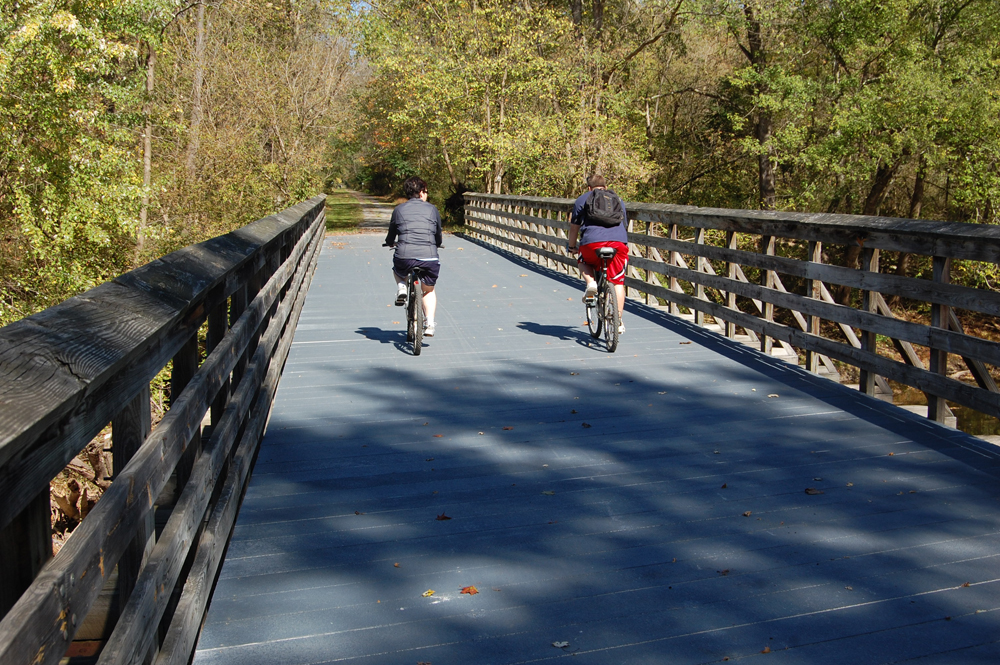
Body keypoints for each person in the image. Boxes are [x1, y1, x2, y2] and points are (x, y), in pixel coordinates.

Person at [566, 174, 629, 334]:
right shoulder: (617, 199)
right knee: (618, 282)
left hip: (592, 243)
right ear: (605, 187)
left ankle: (591, 283)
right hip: (617, 244)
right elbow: (624, 224)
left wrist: (572, 246)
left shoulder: (583, 199)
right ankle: (618, 320)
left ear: (589, 188)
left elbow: (574, 227)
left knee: (582, 258)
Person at [384, 176, 444, 336]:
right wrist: (436, 244)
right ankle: (430, 323)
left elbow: (391, 234)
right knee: (429, 291)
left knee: (397, 270)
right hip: (429, 257)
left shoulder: (399, 209)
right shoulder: (432, 209)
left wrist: (390, 242)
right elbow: (438, 235)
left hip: (404, 256)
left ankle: (401, 287)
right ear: (422, 192)